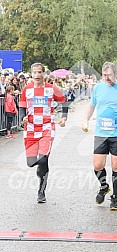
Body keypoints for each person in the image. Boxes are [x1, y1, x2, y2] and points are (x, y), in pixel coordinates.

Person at [82, 62, 117, 211]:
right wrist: (85, 120)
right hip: (101, 133)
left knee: (115, 166)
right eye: (104, 75)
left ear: (115, 74)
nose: (107, 78)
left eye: (109, 75)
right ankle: (104, 186)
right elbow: (91, 105)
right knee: (97, 165)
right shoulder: (97, 88)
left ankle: (115, 197)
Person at [19, 63, 68, 203]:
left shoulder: (52, 89)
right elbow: (22, 105)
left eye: (39, 72)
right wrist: (23, 117)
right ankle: (40, 171)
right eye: (34, 73)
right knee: (31, 163)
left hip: (47, 126)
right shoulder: (26, 89)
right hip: (31, 128)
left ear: (44, 74)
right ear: (31, 74)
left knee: (44, 159)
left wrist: (64, 117)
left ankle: (41, 190)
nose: (36, 75)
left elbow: (64, 102)